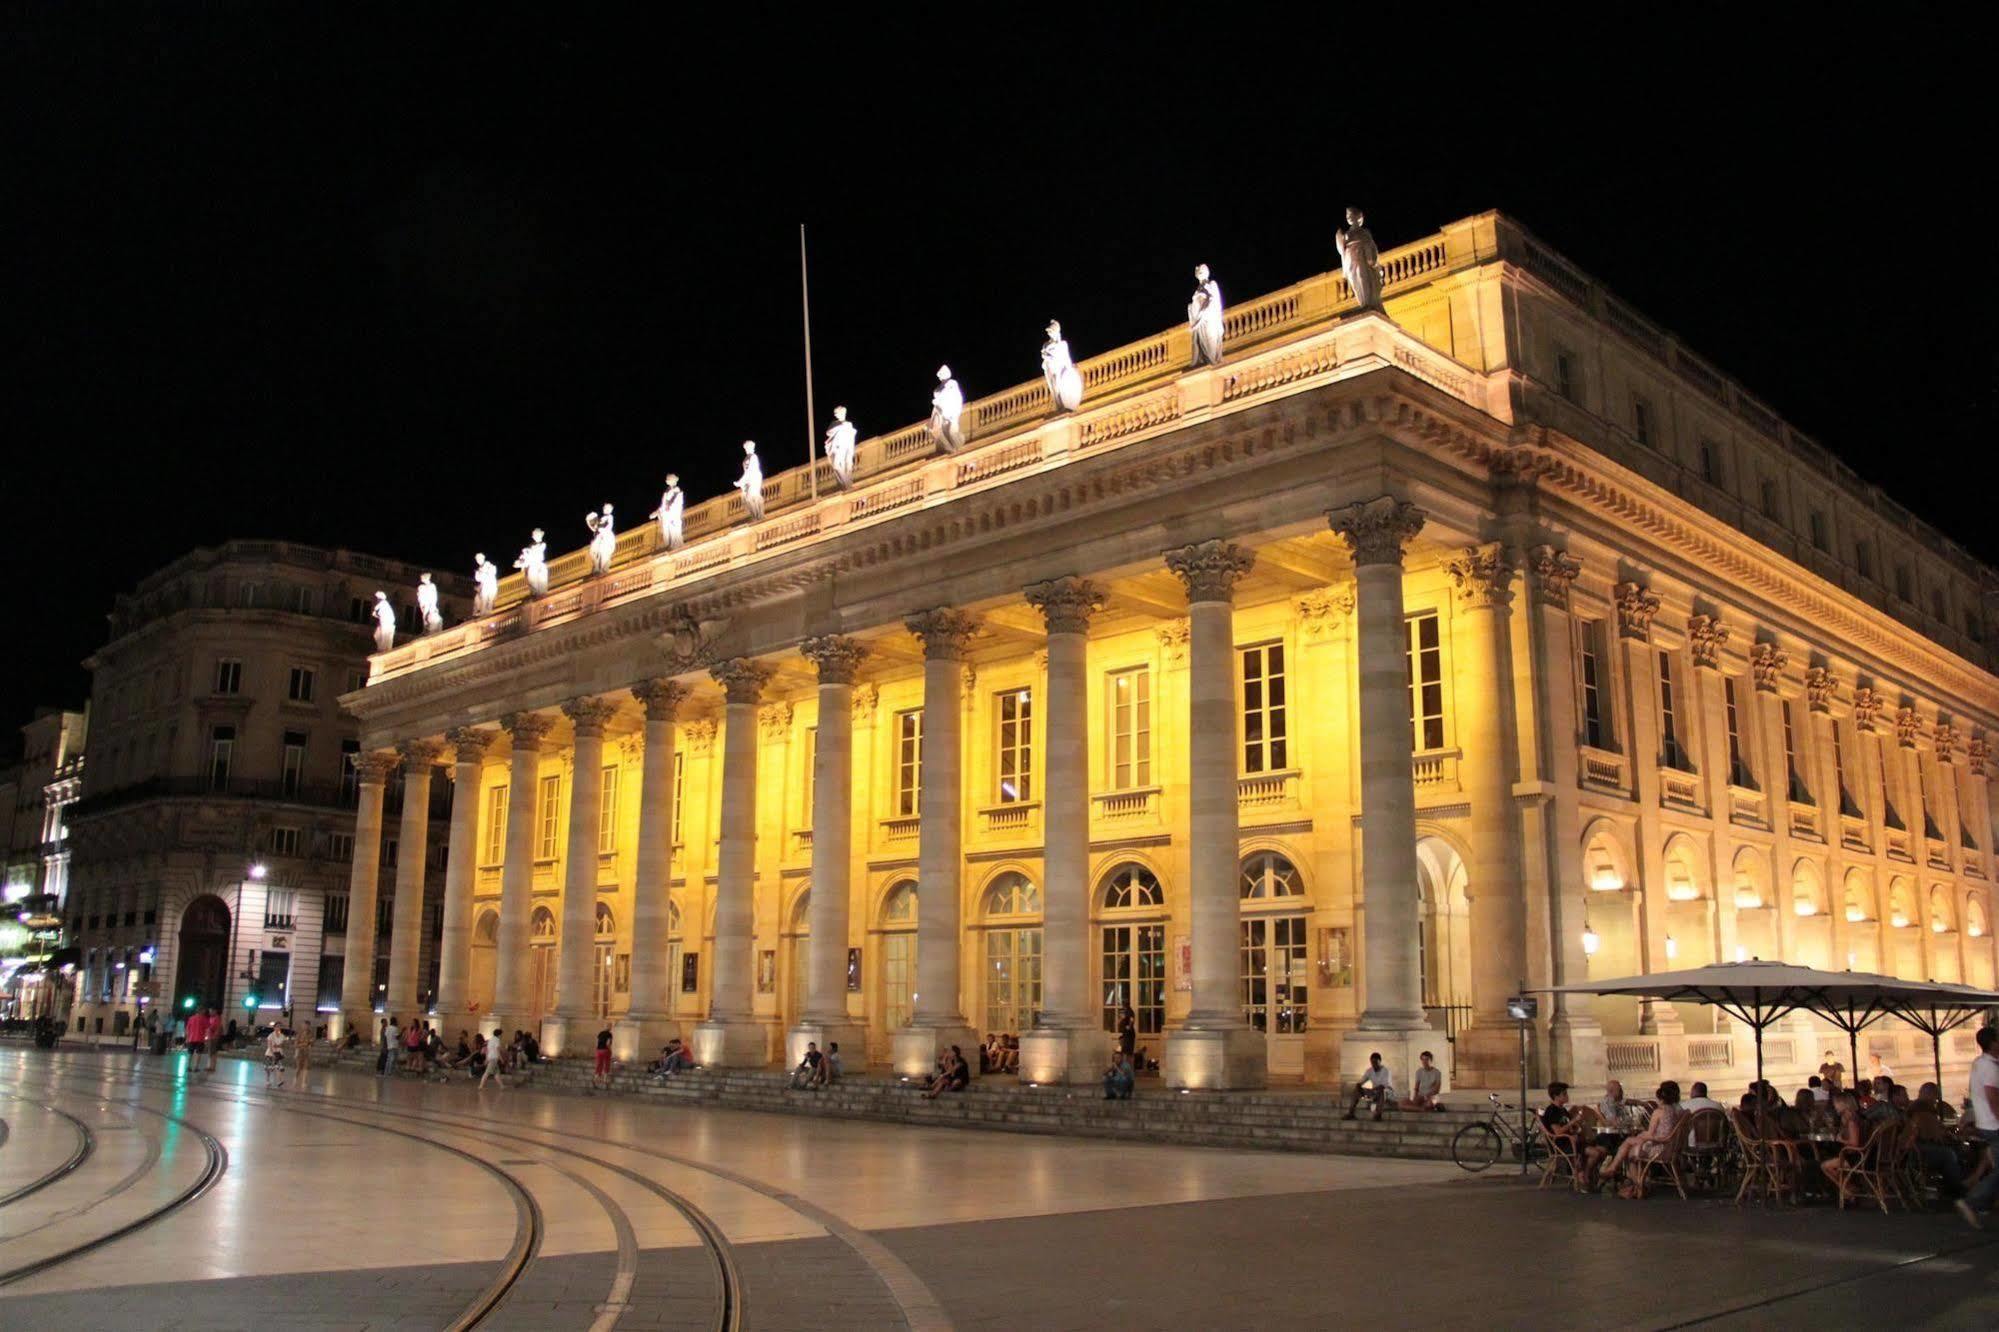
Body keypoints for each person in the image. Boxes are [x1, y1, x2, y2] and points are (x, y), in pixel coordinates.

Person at [1604, 1080, 1686, 1197]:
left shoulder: (1659, 1112)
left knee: (1629, 1145)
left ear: (1660, 1097)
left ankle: (1634, 1183)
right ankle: (1634, 1186)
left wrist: (1641, 1135)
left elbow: (1651, 1134)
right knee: (1631, 1147)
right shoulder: (1676, 1111)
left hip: (1659, 1147)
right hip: (1670, 1147)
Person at [1956, 1026, 1999, 1228]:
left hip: (1985, 1122)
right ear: (1993, 1043)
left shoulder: (1980, 1063)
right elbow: (1993, 1097)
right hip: (1994, 1123)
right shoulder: (1990, 1067)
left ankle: (1982, 1201)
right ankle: (1973, 1202)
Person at [1542, 1081, 1608, 1188]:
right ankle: (1584, 1176)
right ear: (1556, 1096)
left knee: (1603, 1150)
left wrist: (1578, 1126)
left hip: (1574, 1142)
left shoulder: (1562, 1110)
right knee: (1595, 1153)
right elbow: (1558, 1132)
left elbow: (1571, 1127)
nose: (1567, 1096)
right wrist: (1573, 1122)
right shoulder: (1552, 1111)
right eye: (1564, 1094)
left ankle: (1586, 1174)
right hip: (1562, 1145)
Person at [1819, 1089, 1869, 1197]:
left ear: (1843, 1104)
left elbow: (1854, 1144)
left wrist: (1840, 1140)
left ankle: (1847, 1190)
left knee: (1825, 1166)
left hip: (1857, 1157)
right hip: (1861, 1154)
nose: (1835, 1106)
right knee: (1831, 1165)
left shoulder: (1852, 1121)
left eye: (1836, 1104)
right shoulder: (1853, 1118)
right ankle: (1848, 1189)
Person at [1342, 1052, 1394, 1121]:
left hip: (1386, 1093)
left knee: (1382, 1091)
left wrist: (1373, 1090)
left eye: (1375, 1062)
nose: (1374, 1064)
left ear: (1380, 1061)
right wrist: (1359, 1086)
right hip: (1374, 1092)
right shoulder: (1369, 1071)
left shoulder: (1386, 1071)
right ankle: (1351, 1113)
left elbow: (1384, 1086)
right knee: (1356, 1091)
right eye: (1372, 1062)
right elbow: (1361, 1081)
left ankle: (1378, 1115)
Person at [593, 1025, 614, 1090]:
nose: (611, 1028)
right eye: (610, 1026)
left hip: (598, 1051)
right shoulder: (609, 1034)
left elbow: (597, 1043)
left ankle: (595, 1079)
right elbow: (608, 1043)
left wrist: (597, 1050)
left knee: (599, 1065)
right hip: (605, 1050)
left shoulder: (600, 1033)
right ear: (609, 1027)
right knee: (606, 1065)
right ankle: (605, 1082)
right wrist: (610, 1050)